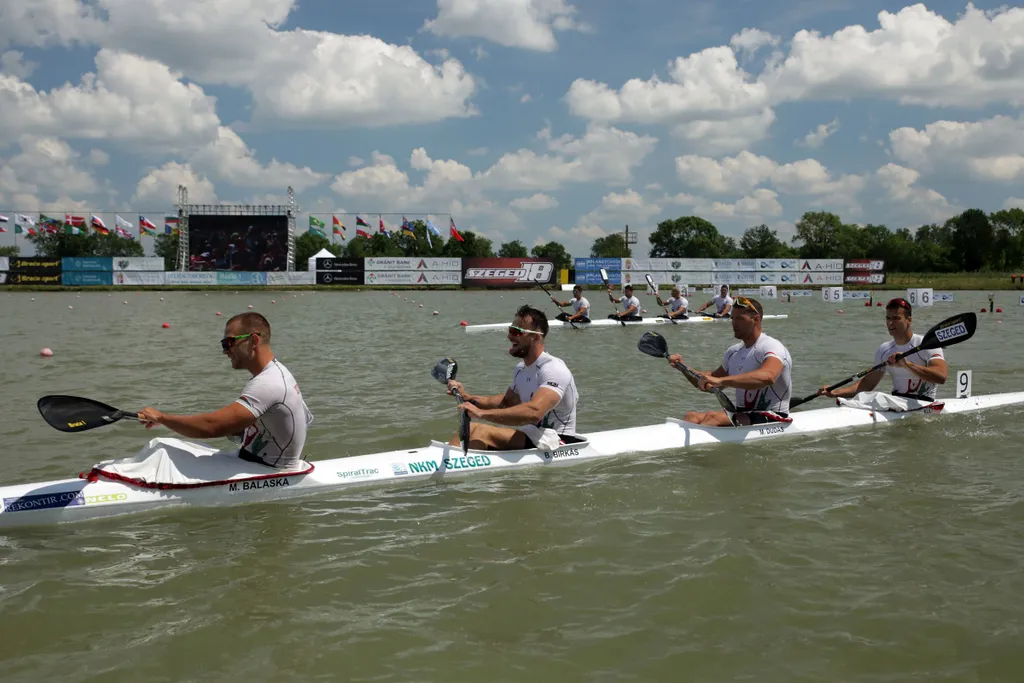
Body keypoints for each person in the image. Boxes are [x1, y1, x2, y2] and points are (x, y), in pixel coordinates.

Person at [138, 312, 313, 470]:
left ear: (253, 340)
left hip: (268, 470)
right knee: (162, 446)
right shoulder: (277, 372)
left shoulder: (269, 383)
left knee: (161, 451)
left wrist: (162, 418)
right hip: (253, 460)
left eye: (229, 342)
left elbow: (211, 427)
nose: (225, 351)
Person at [445, 305, 582, 450]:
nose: (509, 336)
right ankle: (448, 459)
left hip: (557, 439)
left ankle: (452, 465)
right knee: (471, 429)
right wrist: (468, 398)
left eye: (516, 332)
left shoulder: (554, 369)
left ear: (535, 337)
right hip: (532, 434)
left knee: (479, 431)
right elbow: (506, 402)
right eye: (510, 330)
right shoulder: (521, 369)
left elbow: (534, 412)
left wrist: (481, 413)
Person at [667, 296, 793, 426]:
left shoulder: (771, 346)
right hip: (743, 414)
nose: (734, 323)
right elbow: (709, 381)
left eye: (740, 319)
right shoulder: (733, 352)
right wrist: (682, 366)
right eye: (732, 318)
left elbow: (768, 376)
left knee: (712, 418)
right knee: (691, 416)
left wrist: (721, 380)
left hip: (773, 416)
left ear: (756, 319)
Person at [817, 297, 947, 401]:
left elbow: (941, 377)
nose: (890, 323)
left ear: (909, 320)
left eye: (896, 318)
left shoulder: (926, 344)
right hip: (897, 401)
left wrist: (907, 365)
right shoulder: (884, 349)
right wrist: (836, 393)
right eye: (888, 318)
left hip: (924, 402)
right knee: (862, 398)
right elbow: (867, 384)